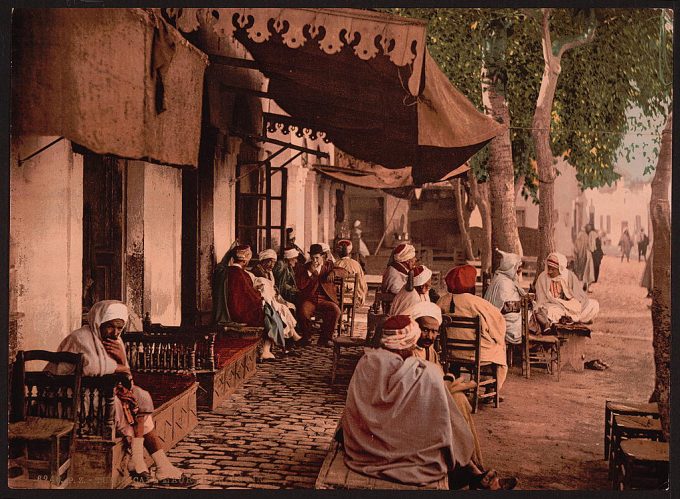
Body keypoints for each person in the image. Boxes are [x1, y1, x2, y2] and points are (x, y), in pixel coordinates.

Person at [341, 315, 516, 490]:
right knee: (447, 425)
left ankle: (476, 473)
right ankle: (475, 474)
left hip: (364, 442)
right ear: (408, 343)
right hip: (395, 445)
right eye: (413, 342)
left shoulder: (366, 362)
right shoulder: (421, 372)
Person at [45, 301, 194, 485]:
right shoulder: (80, 338)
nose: (115, 333)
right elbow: (91, 368)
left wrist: (123, 360)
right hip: (71, 396)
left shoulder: (115, 342)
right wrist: (122, 366)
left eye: (119, 328)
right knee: (124, 405)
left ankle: (149, 463)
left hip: (102, 393)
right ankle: (153, 464)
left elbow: (127, 379)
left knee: (141, 396)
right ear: (98, 322)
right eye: (110, 327)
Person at [409, 301, 485, 468]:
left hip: (433, 401)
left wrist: (448, 380)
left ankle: (474, 463)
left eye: (434, 331)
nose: (429, 336)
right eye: (425, 330)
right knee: (457, 401)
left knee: (459, 400)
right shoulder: (409, 351)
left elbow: (438, 377)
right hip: (415, 409)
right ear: (415, 327)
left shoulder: (430, 351)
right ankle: (473, 467)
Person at [436, 265, 508, 393]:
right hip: (478, 353)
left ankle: (455, 381)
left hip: (450, 352)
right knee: (499, 348)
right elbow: (498, 326)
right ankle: (491, 389)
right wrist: (497, 339)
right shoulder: (478, 303)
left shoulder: (442, 301)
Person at [212, 245, 283, 360]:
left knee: (269, 310)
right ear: (245, 259)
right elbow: (250, 297)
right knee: (269, 312)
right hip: (238, 313)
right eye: (248, 258)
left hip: (228, 310)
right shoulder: (242, 274)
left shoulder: (224, 271)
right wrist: (260, 296)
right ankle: (265, 349)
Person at [295, 243, 347, 347]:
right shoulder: (305, 268)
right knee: (303, 311)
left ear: (322, 256)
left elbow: (343, 271)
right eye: (313, 258)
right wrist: (310, 273)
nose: (315, 261)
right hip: (310, 300)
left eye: (317, 258)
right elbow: (300, 285)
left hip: (325, 300)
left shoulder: (328, 265)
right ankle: (307, 337)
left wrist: (334, 273)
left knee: (335, 310)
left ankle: (325, 338)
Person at [252, 248, 303, 347]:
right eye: (269, 262)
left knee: (288, 307)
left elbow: (274, 287)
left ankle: (292, 337)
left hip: (272, 296)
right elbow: (275, 286)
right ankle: (292, 338)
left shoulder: (269, 272)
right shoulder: (258, 271)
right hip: (263, 300)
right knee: (284, 309)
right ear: (263, 261)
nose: (271, 265)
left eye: (273, 262)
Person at [534, 252, 600, 326]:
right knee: (551, 312)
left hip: (569, 305)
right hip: (554, 306)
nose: (549, 271)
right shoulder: (543, 278)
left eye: (553, 269)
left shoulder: (569, 276)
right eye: (548, 268)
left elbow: (579, 296)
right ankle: (570, 319)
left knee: (594, 305)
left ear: (560, 269)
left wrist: (573, 304)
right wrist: (557, 302)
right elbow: (541, 300)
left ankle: (571, 318)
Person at [484, 249, 526, 346]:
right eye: (517, 269)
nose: (518, 272)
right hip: (504, 324)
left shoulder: (499, 277)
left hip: (496, 319)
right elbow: (511, 312)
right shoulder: (505, 284)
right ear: (511, 268)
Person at [333, 239, 368, 306]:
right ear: (349, 252)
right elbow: (363, 284)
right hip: (355, 298)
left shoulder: (336, 264)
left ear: (338, 252)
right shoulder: (356, 264)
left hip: (338, 298)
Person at [573, 225, 595, 292]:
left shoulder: (580, 235)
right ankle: (586, 285)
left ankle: (583, 285)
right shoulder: (586, 236)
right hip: (587, 255)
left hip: (582, 255)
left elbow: (576, 247)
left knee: (582, 270)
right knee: (587, 271)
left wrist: (577, 253)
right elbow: (590, 247)